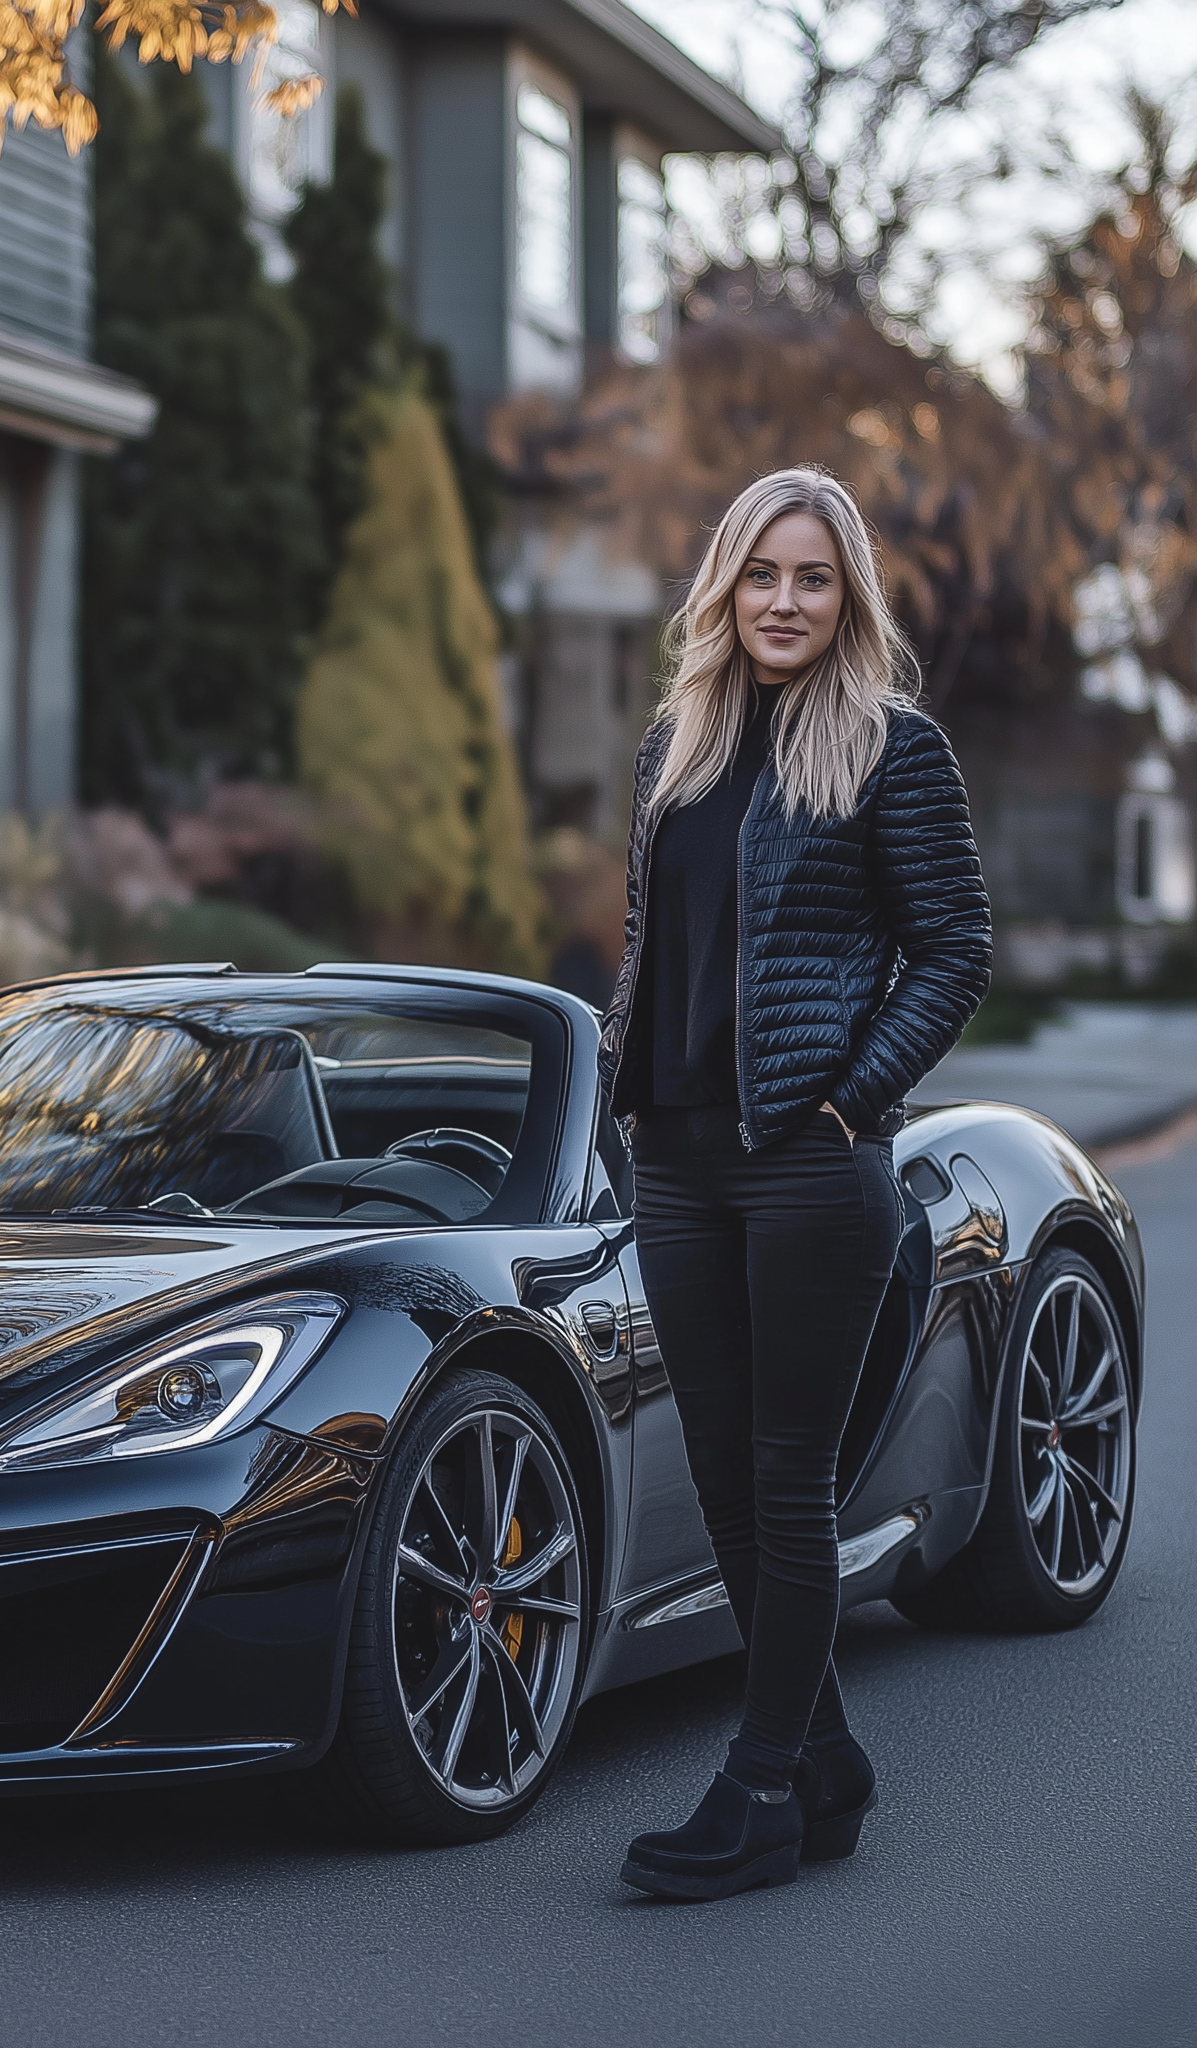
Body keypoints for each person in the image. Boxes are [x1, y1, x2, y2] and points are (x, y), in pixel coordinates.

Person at [599, 467, 992, 1902]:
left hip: (809, 1170)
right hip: (682, 1162)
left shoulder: (893, 749)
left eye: (811, 579)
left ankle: (759, 1789)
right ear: (724, 587)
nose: (783, 601)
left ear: (849, 599)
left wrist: (848, 1101)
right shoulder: (674, 749)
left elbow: (954, 949)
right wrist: (623, 1080)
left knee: (785, 1479)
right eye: (761, 575)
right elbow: (650, 943)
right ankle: (824, 1761)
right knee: (719, 1479)